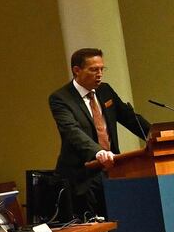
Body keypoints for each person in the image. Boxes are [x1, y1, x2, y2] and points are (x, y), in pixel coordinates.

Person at [49, 48, 147, 219]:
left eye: (102, 69)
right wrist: (97, 151)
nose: (100, 74)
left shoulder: (105, 90)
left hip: (112, 171)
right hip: (82, 176)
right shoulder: (61, 98)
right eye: (94, 69)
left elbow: (130, 118)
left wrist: (157, 136)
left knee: (120, 222)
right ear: (77, 70)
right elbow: (72, 131)